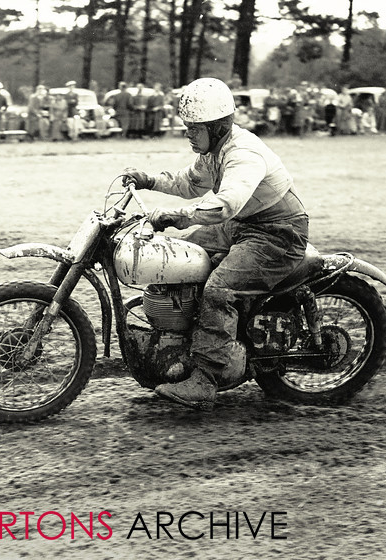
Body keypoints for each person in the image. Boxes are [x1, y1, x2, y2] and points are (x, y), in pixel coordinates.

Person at [122, 77, 309, 410]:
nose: (188, 135)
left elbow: (225, 205)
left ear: (217, 125)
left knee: (218, 288)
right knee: (186, 256)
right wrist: (147, 179)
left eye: (194, 129)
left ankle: (205, 378)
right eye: (188, 128)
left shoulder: (244, 153)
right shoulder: (214, 152)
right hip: (243, 226)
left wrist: (178, 215)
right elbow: (189, 182)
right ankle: (186, 340)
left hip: (277, 232)